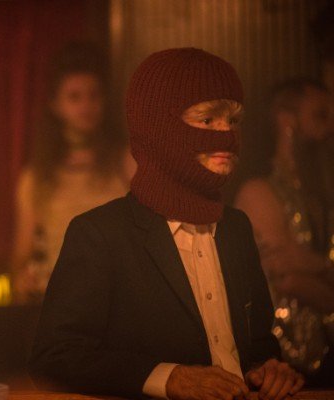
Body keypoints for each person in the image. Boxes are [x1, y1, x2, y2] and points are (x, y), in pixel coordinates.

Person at [29, 48, 304, 400]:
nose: (226, 135)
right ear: (159, 127)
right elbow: (54, 358)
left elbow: (258, 342)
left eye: (234, 120)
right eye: (208, 120)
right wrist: (166, 378)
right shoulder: (101, 235)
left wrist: (267, 369)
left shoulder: (235, 228)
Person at [12, 42, 135, 302]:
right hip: (64, 300)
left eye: (93, 95)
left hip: (121, 298)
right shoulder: (37, 177)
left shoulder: (125, 163)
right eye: (74, 97)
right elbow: (21, 256)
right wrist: (23, 277)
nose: (86, 105)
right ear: (56, 105)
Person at [234, 78, 334, 386]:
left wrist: (315, 266)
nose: (330, 128)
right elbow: (285, 274)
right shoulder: (259, 191)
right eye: (320, 115)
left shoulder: (318, 193)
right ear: (286, 119)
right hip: (284, 366)